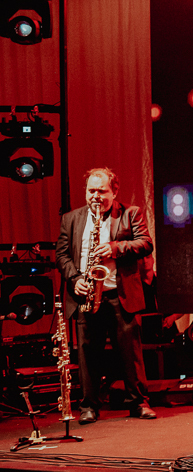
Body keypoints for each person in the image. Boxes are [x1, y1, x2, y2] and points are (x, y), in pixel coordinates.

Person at [55, 167, 156, 423]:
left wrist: (114, 248)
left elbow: (145, 243)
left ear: (115, 191)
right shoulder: (71, 218)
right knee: (87, 353)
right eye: (91, 190)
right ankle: (88, 406)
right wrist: (75, 280)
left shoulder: (130, 213)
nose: (96, 196)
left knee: (130, 353)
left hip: (120, 293)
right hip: (86, 294)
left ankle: (138, 403)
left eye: (102, 191)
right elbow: (62, 255)